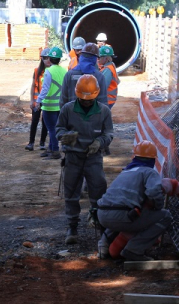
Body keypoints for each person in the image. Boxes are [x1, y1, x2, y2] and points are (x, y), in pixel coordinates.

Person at [56, 74, 113, 244]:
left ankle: (100, 223)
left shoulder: (103, 111)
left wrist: (99, 142)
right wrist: (64, 136)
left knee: (98, 189)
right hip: (73, 157)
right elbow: (58, 128)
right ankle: (72, 226)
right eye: (83, 99)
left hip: (93, 158)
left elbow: (108, 133)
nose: (87, 102)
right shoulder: (68, 109)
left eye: (90, 99)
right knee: (72, 192)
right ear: (77, 95)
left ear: (96, 95)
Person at [96, 141, 172, 261]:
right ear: (153, 160)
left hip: (102, 215)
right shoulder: (149, 172)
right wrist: (158, 207)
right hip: (121, 216)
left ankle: (103, 247)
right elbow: (153, 192)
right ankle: (134, 250)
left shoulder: (126, 171)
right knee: (165, 216)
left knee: (121, 210)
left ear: (135, 157)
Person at [37, 46, 67, 159]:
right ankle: (50, 149)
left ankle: (55, 151)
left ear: (50, 58)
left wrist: (38, 101)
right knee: (55, 128)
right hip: (60, 105)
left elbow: (45, 89)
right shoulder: (64, 71)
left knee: (51, 129)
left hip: (49, 106)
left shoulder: (49, 71)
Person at [59, 43, 108, 108]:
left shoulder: (69, 75)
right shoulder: (99, 76)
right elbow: (103, 101)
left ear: (82, 56)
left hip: (73, 115)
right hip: (93, 116)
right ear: (95, 58)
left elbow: (63, 100)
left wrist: (66, 115)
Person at [25, 49, 50, 151]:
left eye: (48, 58)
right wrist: (32, 100)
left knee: (45, 122)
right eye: (45, 58)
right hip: (36, 101)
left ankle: (42, 142)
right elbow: (33, 86)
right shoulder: (37, 71)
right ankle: (31, 143)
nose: (47, 60)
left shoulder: (52, 71)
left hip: (47, 101)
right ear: (42, 59)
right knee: (34, 121)